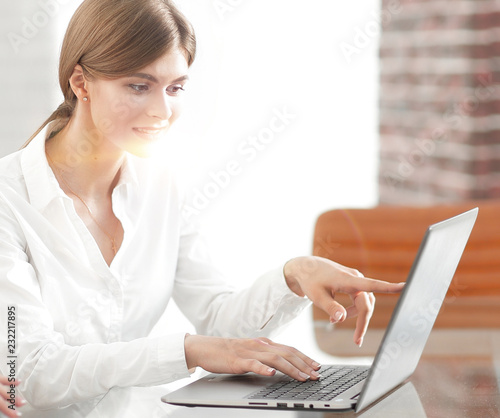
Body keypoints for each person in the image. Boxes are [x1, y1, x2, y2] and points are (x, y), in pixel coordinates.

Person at [0, 0, 404, 415]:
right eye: (138, 86)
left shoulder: (161, 184)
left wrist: (295, 276)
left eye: (175, 87)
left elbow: (218, 321)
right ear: (81, 83)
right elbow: (29, 373)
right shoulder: (8, 200)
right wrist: (188, 351)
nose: (162, 111)